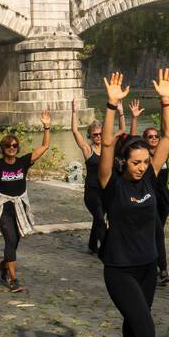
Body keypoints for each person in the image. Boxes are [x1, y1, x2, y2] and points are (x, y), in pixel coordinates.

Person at [97, 71, 169, 337]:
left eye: (146, 161)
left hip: (147, 269)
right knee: (146, 331)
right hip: (119, 271)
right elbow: (108, 149)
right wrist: (112, 106)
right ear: (123, 164)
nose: (142, 166)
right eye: (136, 162)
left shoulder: (149, 179)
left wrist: (165, 101)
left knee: (134, 333)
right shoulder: (110, 185)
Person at [0, 104, 51, 291]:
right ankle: (13, 279)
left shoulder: (23, 162)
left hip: (19, 207)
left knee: (15, 241)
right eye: (8, 146)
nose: (12, 148)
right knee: (10, 239)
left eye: (15, 146)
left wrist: (46, 126)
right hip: (3, 206)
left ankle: (3, 265)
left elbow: (45, 146)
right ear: (2, 149)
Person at [136, 99, 169, 286]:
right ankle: (161, 269)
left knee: (157, 232)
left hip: (163, 199)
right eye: (149, 136)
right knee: (157, 233)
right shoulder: (142, 157)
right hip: (148, 198)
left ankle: (154, 263)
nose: (154, 139)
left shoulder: (163, 153)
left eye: (156, 136)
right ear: (144, 139)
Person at [71, 101, 107, 256]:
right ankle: (107, 249)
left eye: (100, 134)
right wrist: (74, 112)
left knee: (98, 219)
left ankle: (93, 245)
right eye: (95, 134)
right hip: (92, 192)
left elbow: (122, 132)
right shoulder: (88, 149)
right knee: (100, 218)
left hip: (105, 191)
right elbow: (74, 131)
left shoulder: (108, 149)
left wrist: (120, 113)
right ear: (91, 136)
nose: (98, 137)